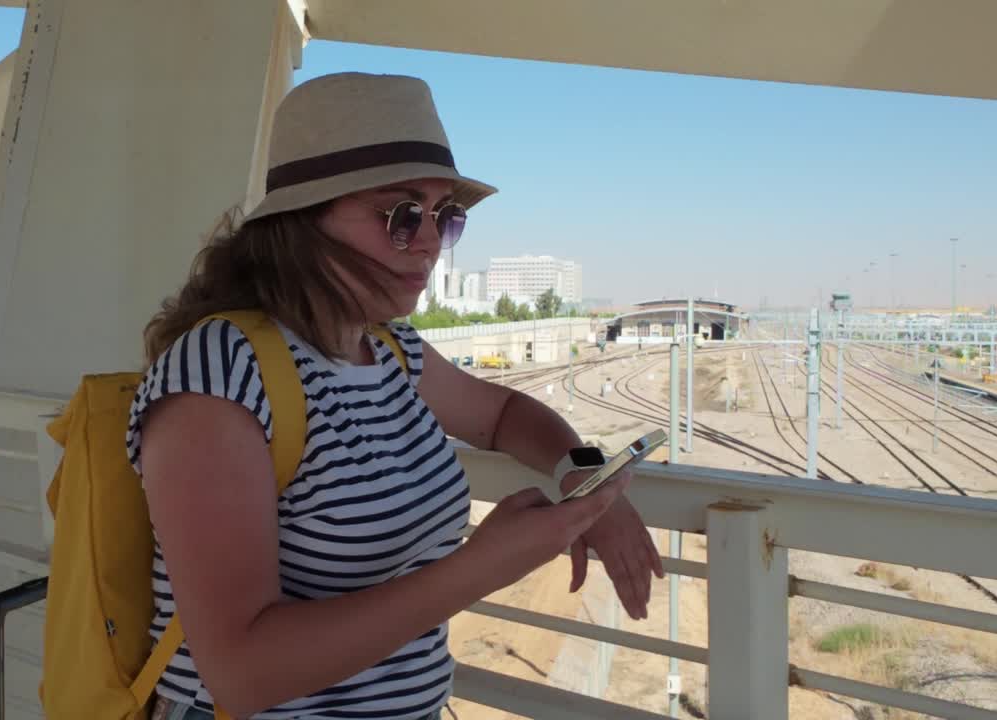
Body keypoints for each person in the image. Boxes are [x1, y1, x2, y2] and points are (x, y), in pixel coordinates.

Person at [127, 72, 663, 720]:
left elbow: (501, 414)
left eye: (446, 215)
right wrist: (480, 568)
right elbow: (240, 673)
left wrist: (582, 477)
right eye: (403, 215)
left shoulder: (387, 349)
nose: (432, 240)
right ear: (301, 222)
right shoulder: (219, 371)